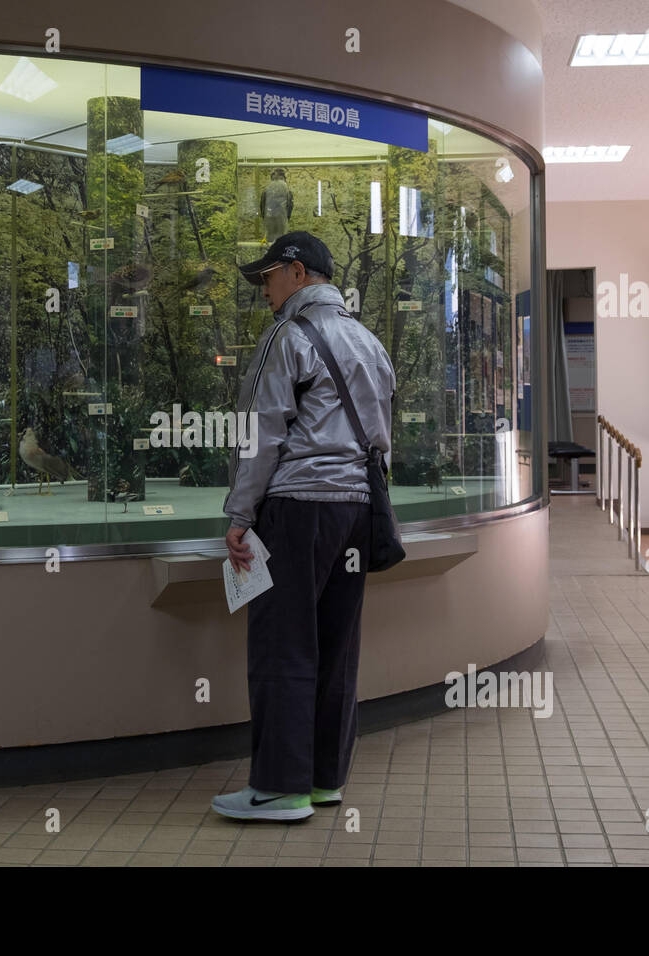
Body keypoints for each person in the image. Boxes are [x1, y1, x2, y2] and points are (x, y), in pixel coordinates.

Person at [214, 231, 396, 821]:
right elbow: (380, 441)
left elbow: (261, 434)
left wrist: (241, 515)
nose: (264, 290)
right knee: (337, 646)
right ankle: (323, 780)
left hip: (296, 508)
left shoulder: (288, 336)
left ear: (295, 273)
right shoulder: (370, 342)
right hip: (356, 510)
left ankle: (278, 788)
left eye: (267, 277)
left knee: (283, 643)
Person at [259, 168, 294, 241]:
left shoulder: (287, 191)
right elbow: (263, 210)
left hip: (282, 222)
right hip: (269, 222)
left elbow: (288, 212)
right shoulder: (267, 190)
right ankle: (266, 236)